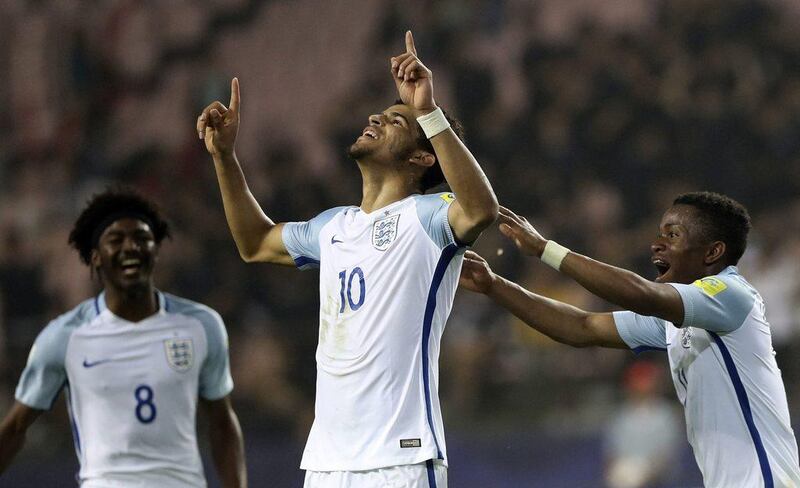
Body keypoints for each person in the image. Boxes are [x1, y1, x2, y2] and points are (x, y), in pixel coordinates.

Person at [197, 31, 498, 488]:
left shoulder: (431, 216)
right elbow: (255, 243)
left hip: (400, 457)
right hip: (327, 461)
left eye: (397, 122)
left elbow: (481, 210)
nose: (377, 116)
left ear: (421, 156)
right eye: (383, 113)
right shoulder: (333, 226)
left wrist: (427, 111)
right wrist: (224, 158)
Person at [459, 192, 800, 487]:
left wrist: (546, 250)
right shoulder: (678, 321)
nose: (657, 244)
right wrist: (494, 285)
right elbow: (583, 326)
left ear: (712, 253)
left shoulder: (731, 293)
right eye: (659, 233)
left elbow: (643, 294)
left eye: (673, 235)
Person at [0, 188, 247, 488]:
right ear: (95, 257)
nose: (130, 247)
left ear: (156, 250)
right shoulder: (65, 337)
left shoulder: (201, 326)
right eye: (115, 240)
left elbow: (222, 423)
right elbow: (15, 428)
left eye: (141, 238)